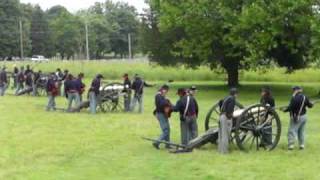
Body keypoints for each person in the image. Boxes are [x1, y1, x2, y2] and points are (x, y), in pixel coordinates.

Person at [283, 86, 313, 150]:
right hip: (304, 116)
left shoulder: (294, 98)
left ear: (296, 91)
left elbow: (290, 107)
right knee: (301, 131)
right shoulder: (305, 97)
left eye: (294, 90)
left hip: (296, 117)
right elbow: (310, 105)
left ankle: (291, 145)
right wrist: (312, 104)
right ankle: (301, 145)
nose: (293, 91)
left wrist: (284, 110)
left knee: (291, 130)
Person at [218, 88, 238, 154]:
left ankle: (220, 150)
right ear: (235, 94)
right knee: (226, 135)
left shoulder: (226, 97)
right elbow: (229, 110)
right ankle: (224, 151)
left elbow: (220, 102)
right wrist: (230, 118)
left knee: (221, 134)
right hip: (226, 117)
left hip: (221, 116)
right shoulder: (232, 99)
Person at [152, 85, 172, 149]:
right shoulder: (158, 96)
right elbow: (161, 104)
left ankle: (167, 145)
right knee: (166, 130)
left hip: (163, 114)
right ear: (163, 89)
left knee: (168, 129)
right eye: (166, 91)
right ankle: (156, 142)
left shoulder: (161, 96)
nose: (166, 92)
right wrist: (167, 101)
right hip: (161, 114)